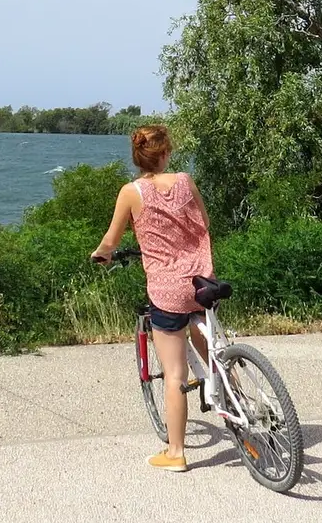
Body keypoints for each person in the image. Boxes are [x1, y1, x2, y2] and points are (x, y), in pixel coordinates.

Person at [91, 123, 214, 472]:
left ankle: (175, 453)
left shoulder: (131, 192)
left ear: (138, 156)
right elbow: (203, 222)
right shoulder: (186, 181)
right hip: (202, 280)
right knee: (215, 354)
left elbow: (111, 240)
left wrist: (101, 254)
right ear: (165, 153)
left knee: (175, 373)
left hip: (168, 289)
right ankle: (244, 406)